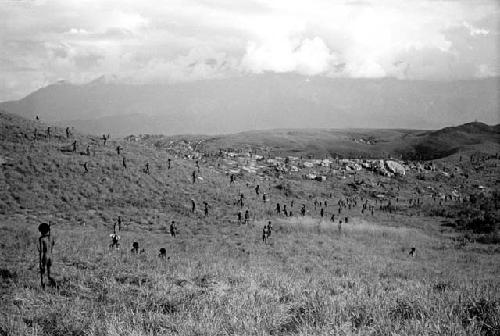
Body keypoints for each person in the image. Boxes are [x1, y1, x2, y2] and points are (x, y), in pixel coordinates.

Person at [38, 223, 55, 289]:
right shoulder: (51, 237)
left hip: (45, 256)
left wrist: (40, 261)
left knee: (43, 272)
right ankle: (54, 285)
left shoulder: (41, 239)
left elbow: (40, 250)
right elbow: (53, 243)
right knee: (49, 274)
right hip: (51, 256)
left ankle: (43, 286)